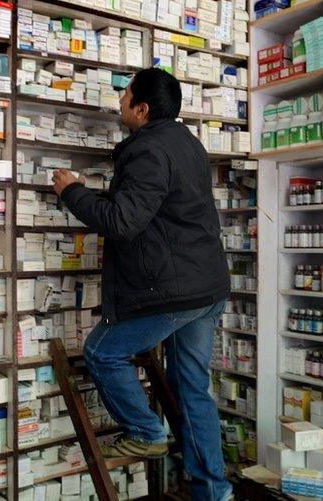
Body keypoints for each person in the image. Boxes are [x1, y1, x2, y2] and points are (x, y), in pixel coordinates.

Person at [52, 68, 233, 501]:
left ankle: (146, 431)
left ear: (142, 108)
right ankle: (215, 492)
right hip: (206, 287)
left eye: (125, 95)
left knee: (101, 351)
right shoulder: (187, 143)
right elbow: (152, 209)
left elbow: (122, 221)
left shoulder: (149, 150)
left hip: (176, 292)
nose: (119, 102)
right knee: (192, 390)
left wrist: (73, 192)